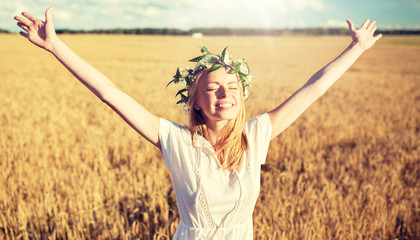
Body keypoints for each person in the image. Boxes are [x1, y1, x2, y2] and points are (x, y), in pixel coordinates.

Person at [14, 6, 382, 239]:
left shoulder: (256, 135)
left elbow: (313, 89)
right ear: (196, 101)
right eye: (213, 88)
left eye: (232, 86)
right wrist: (56, 47)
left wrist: (357, 48)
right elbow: (111, 94)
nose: (225, 94)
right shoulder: (175, 141)